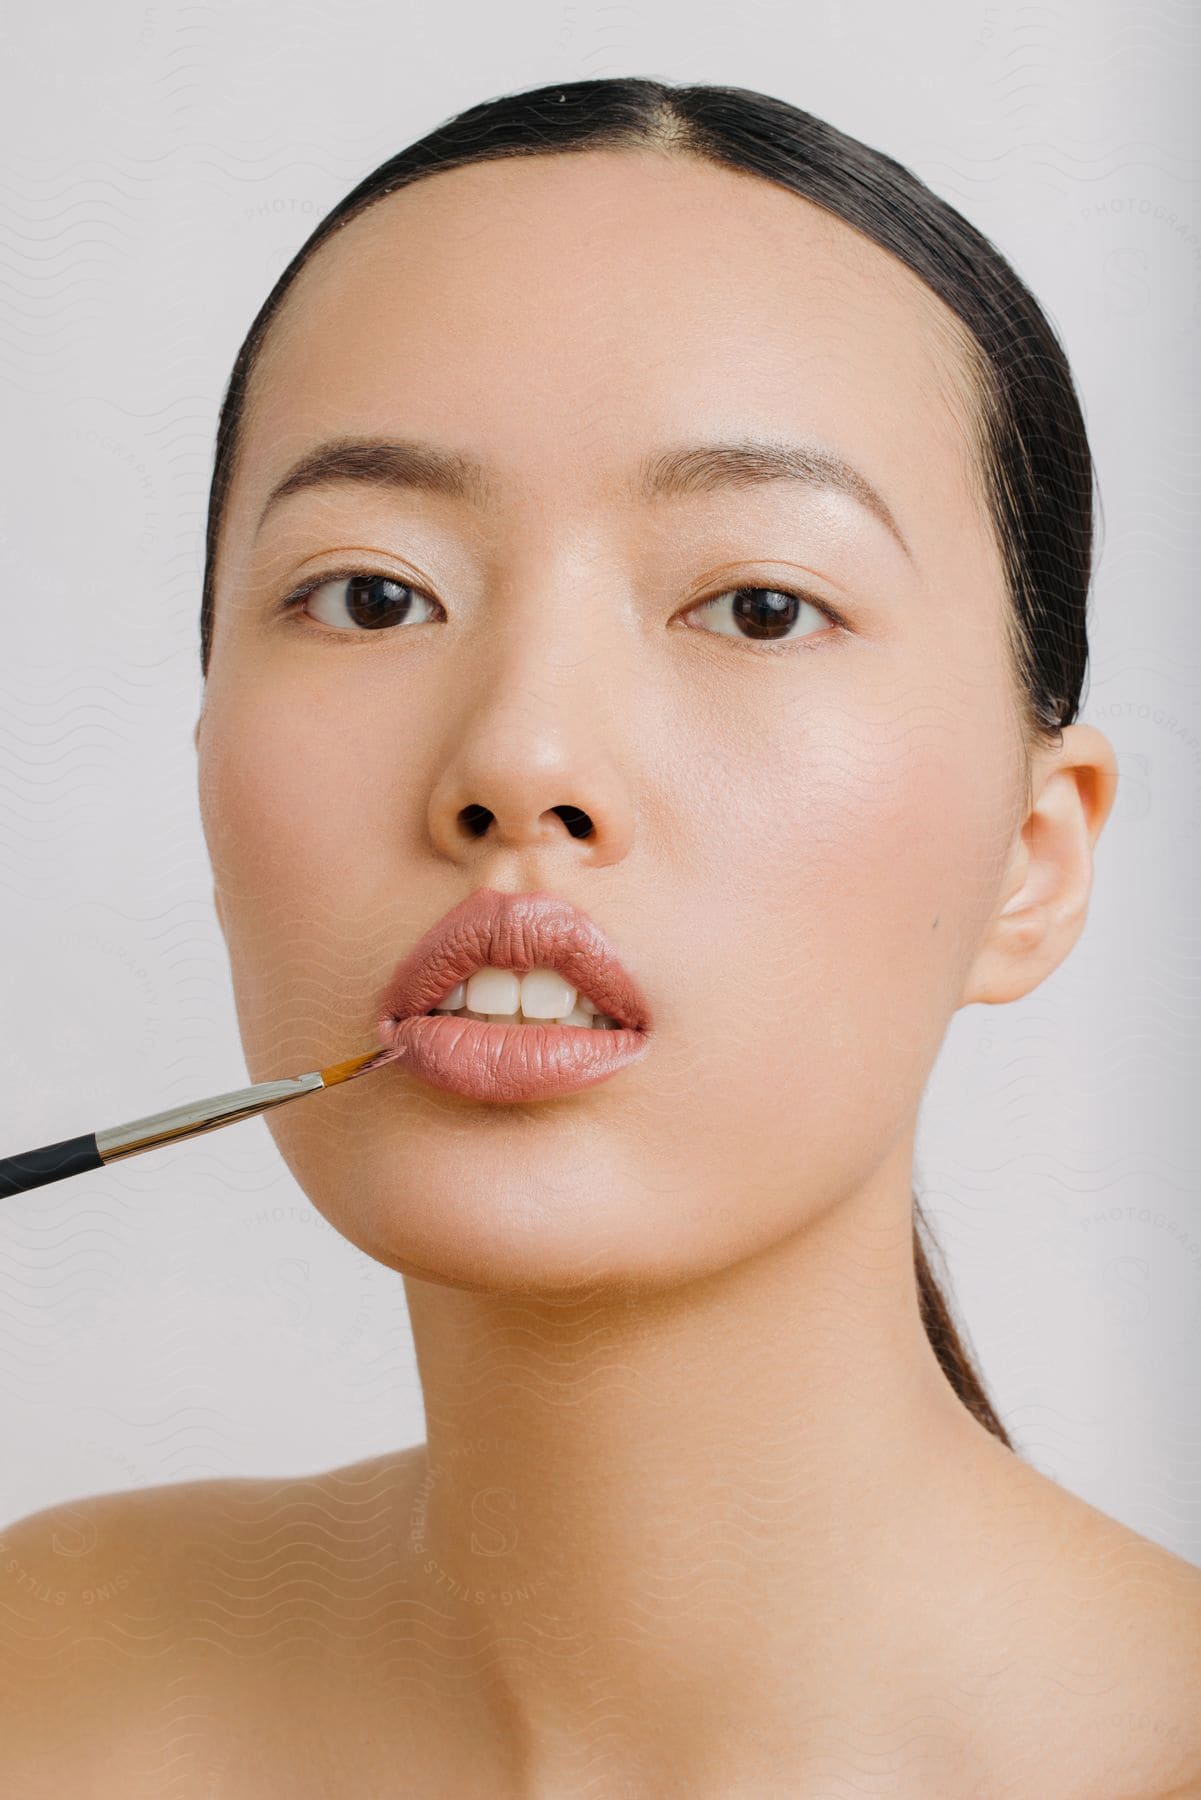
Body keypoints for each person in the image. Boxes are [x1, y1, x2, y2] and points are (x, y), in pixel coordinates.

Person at [3, 76, 1199, 1799]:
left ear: (1034, 858)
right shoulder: (44, 1673)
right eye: (371, 593)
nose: (518, 760)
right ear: (207, 775)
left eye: (758, 605)